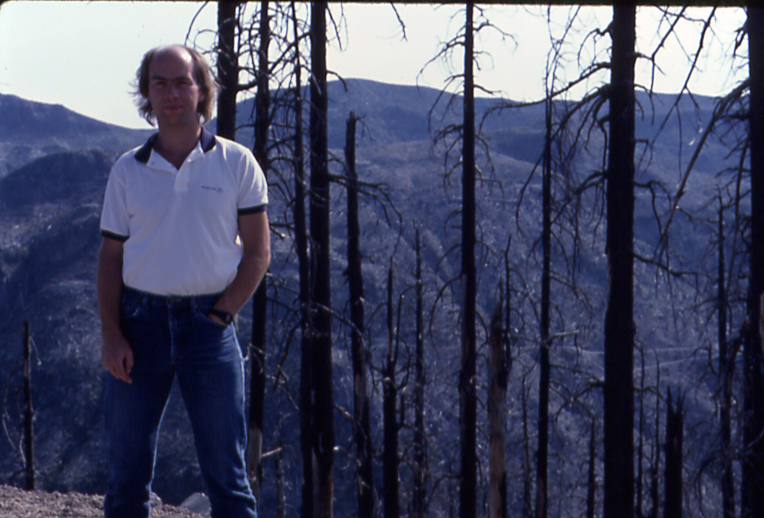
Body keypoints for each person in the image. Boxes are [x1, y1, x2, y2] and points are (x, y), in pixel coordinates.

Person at [97, 44, 269, 518]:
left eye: (182, 82)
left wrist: (220, 314)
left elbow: (258, 253)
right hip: (138, 326)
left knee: (229, 484)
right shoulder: (128, 171)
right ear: (147, 94)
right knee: (126, 483)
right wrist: (112, 334)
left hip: (210, 330)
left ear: (202, 92)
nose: (171, 93)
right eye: (160, 83)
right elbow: (110, 258)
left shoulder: (237, 164)